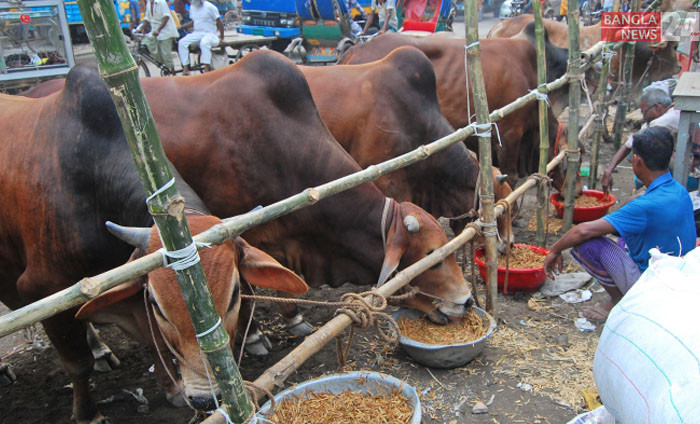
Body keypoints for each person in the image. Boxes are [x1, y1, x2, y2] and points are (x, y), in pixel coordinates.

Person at [544, 127, 696, 321]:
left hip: (652, 286)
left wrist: (554, 250)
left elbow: (583, 230)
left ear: (637, 160)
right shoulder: (679, 190)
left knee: (585, 243)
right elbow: (637, 205)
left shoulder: (645, 206)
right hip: (678, 277)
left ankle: (620, 300)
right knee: (621, 235)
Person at [601, 87, 680, 194]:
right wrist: (608, 170)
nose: (643, 117)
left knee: (638, 154)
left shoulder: (666, 119)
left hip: (687, 172)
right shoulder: (659, 118)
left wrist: (609, 170)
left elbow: (633, 145)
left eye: (644, 112)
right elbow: (629, 143)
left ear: (657, 107)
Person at [177, 0, 224, 75]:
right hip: (197, 33)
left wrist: (222, 38)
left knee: (204, 43)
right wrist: (180, 27)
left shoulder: (210, 7)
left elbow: (219, 22)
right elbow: (193, 23)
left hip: (210, 34)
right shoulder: (192, 7)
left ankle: (206, 69)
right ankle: (186, 68)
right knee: (182, 42)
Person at [138, 0, 179, 74]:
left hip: (165, 32)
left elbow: (166, 17)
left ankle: (173, 74)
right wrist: (141, 28)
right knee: (146, 43)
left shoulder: (161, 2)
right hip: (154, 32)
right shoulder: (149, 3)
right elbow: (147, 18)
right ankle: (162, 64)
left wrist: (158, 30)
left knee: (166, 54)